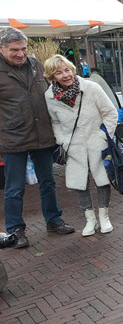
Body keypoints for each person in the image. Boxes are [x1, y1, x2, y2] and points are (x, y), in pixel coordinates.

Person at [0, 27, 75, 248]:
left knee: (48, 182)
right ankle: (16, 230)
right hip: (13, 137)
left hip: (42, 134)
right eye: (15, 50)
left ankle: (53, 219)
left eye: (23, 49)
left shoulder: (36, 64)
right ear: (2, 48)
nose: (21, 54)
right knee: (14, 188)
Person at [43, 55, 118, 237]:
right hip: (73, 145)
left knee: (102, 179)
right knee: (79, 183)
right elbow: (55, 122)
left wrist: (103, 136)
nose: (65, 75)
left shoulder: (91, 88)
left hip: (96, 141)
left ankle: (104, 217)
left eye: (67, 70)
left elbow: (110, 113)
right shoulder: (50, 96)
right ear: (52, 77)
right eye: (58, 73)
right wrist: (63, 141)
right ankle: (90, 220)